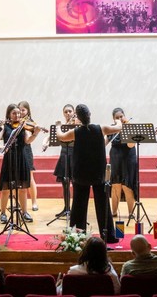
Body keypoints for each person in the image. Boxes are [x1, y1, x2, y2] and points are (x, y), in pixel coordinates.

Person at [56, 104, 121, 243]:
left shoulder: (75, 132)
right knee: (103, 204)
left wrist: (58, 125)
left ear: (77, 117)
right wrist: (118, 120)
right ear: (90, 114)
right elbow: (118, 127)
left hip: (81, 172)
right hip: (98, 172)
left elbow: (61, 137)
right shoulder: (100, 128)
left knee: (78, 205)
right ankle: (108, 235)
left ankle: (77, 236)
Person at [0, 104, 41, 224]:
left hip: (22, 158)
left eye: (18, 113)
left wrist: (35, 133)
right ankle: (4, 213)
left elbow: (27, 141)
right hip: (9, 158)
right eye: (14, 113)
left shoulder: (23, 126)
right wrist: (1, 146)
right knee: (6, 189)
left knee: (23, 189)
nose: (17, 115)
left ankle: (25, 212)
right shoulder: (5, 127)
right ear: (9, 115)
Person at [56, 237, 120, 295]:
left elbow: (63, 293)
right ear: (104, 253)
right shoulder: (110, 273)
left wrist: (58, 285)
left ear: (85, 252)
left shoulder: (73, 272)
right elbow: (117, 291)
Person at [45, 104, 76, 217]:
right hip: (64, 155)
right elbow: (51, 135)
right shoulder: (62, 126)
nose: (68, 114)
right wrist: (46, 142)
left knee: (75, 183)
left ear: (73, 112)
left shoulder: (77, 126)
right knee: (65, 183)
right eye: (66, 112)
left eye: (70, 111)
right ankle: (66, 208)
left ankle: (75, 210)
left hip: (74, 155)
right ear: (63, 113)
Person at [107, 107, 136, 218]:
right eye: (117, 117)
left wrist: (127, 128)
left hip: (128, 158)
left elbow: (131, 145)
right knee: (115, 185)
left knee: (127, 186)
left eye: (121, 116)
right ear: (114, 119)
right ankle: (114, 212)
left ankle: (131, 213)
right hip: (115, 158)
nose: (120, 119)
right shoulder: (112, 128)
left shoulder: (130, 127)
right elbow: (104, 143)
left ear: (124, 116)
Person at [18, 101, 40, 211]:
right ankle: (19, 203)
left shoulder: (30, 123)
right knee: (17, 178)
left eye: (23, 110)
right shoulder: (15, 122)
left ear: (27, 111)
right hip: (16, 151)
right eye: (19, 110)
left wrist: (35, 131)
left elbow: (29, 139)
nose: (21, 112)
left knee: (30, 178)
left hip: (26, 151)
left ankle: (34, 202)